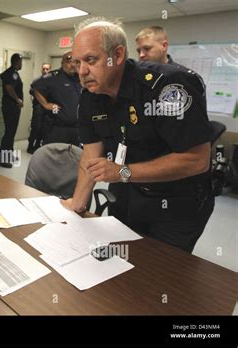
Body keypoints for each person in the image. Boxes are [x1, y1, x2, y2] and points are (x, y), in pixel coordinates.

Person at [62, 18, 214, 253]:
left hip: (175, 203)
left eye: (91, 60)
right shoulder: (91, 96)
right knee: (120, 262)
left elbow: (197, 160)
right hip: (126, 193)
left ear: (118, 55)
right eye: (77, 62)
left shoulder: (168, 86)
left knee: (156, 273)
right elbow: (90, 157)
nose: (82, 71)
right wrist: (78, 204)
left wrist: (122, 171)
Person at [31, 51, 81, 145]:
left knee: (74, 157)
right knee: (56, 157)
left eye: (75, 62)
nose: (72, 65)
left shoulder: (80, 77)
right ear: (62, 63)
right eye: (69, 62)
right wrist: (45, 104)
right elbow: (36, 87)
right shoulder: (54, 77)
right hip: (58, 128)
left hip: (77, 129)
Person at [0, 53, 24, 168]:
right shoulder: (11, 74)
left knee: (12, 132)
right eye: (20, 62)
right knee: (9, 132)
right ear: (16, 61)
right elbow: (9, 88)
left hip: (12, 107)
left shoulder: (14, 73)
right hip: (10, 106)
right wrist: (17, 99)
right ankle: (2, 159)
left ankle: (9, 155)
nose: (21, 64)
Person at [27, 63, 51, 154]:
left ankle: (37, 146)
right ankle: (30, 147)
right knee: (35, 127)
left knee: (43, 128)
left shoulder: (52, 81)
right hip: (38, 107)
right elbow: (31, 91)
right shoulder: (37, 80)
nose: (45, 71)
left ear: (50, 70)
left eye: (47, 69)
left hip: (47, 108)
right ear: (41, 70)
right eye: (44, 69)